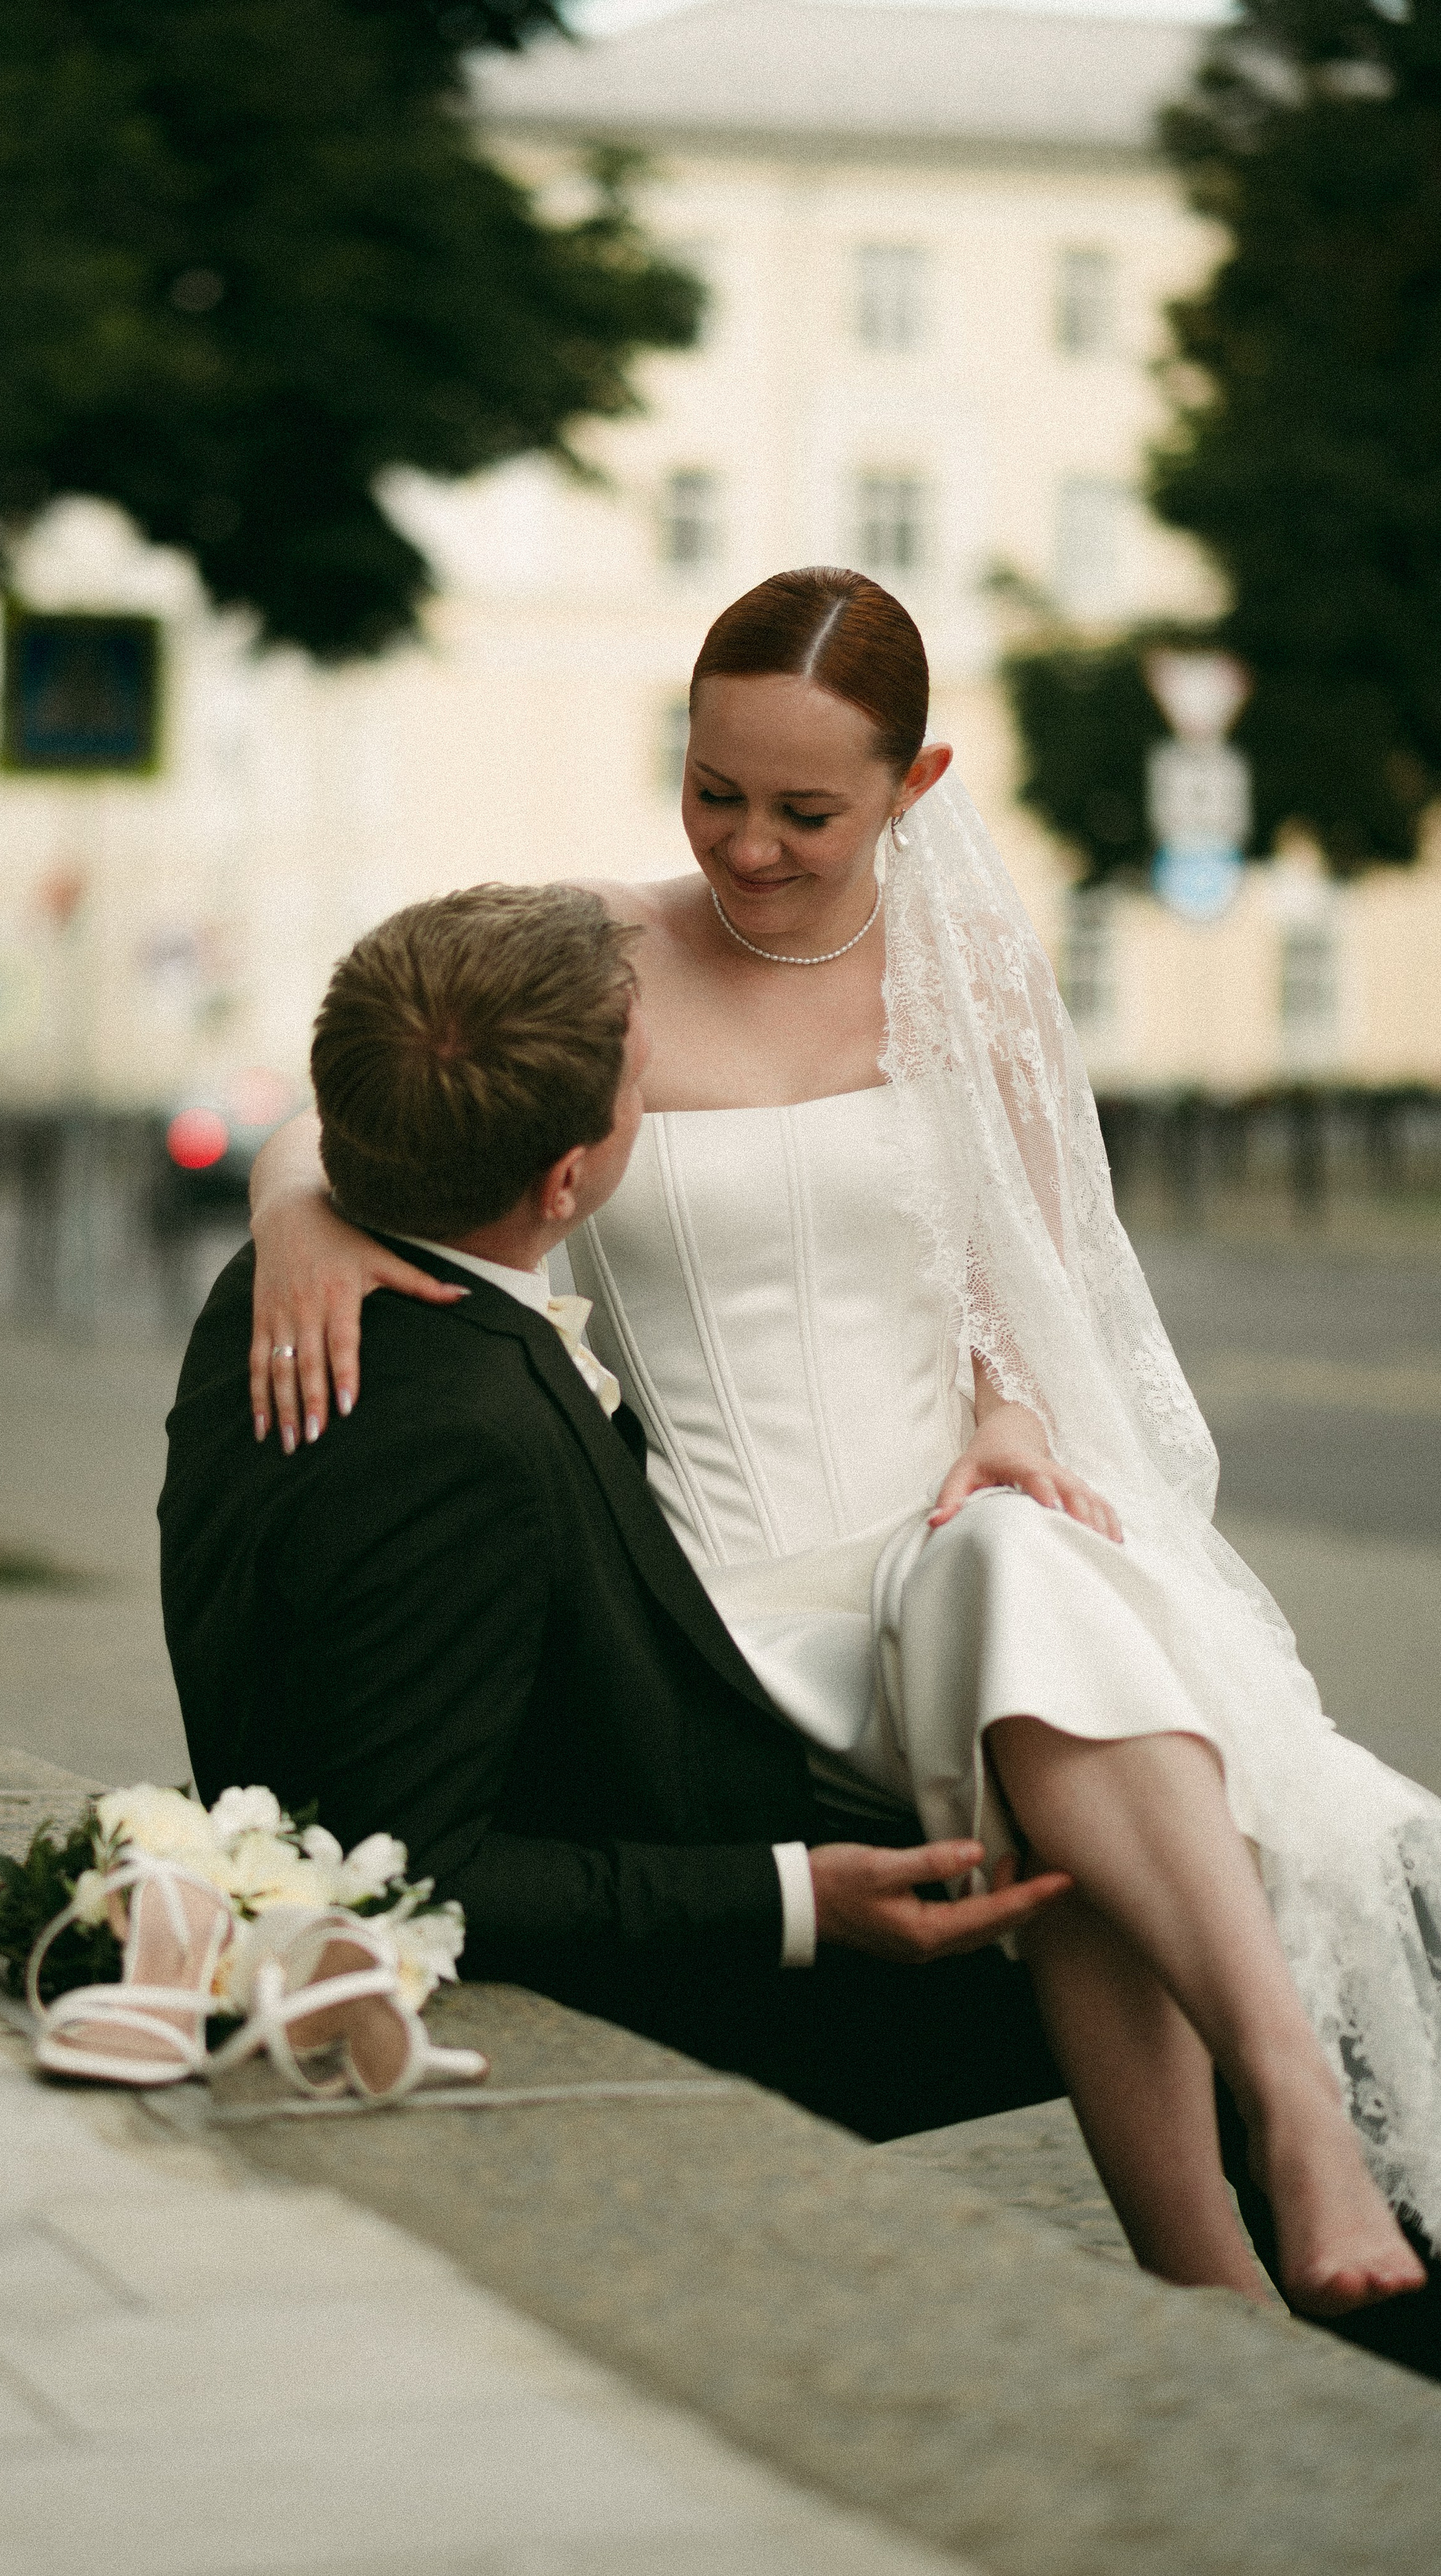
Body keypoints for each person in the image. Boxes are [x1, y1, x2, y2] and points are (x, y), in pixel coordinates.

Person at [244, 568, 1441, 2355]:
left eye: (806, 808)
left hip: (947, 1540)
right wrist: (297, 1225)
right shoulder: (595, 951)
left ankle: (1255, 2168)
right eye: (713, 789)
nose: (747, 844)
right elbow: (341, 1111)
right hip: (724, 1612)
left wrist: (1015, 1418)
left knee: (1016, 1568)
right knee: (1048, 1668)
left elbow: (1030, 1292)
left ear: (916, 783)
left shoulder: (977, 986)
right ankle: (1254, 2178)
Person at [161, 882, 1078, 2146]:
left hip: (634, 1813)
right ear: (566, 1178)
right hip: (634, 1981)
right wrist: (801, 1901)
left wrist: (288, 1199)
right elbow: (419, 1872)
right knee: (1152, 1954)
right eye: (643, 1091)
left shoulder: (271, 1299)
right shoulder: (458, 1434)